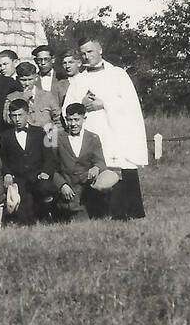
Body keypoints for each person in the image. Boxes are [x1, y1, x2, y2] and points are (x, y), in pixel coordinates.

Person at [60, 39, 147, 219]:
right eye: (83, 53)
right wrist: (80, 104)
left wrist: (104, 104)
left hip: (114, 131)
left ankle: (126, 211)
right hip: (92, 132)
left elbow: (129, 103)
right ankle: (98, 212)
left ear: (100, 50)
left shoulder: (118, 75)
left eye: (90, 52)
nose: (87, 56)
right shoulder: (79, 79)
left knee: (119, 167)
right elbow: (67, 108)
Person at [50, 103, 117, 220]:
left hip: (86, 191)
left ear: (84, 119)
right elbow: (51, 167)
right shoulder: (56, 138)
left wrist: (96, 168)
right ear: (65, 119)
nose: (73, 124)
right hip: (67, 190)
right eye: (70, 120)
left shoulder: (93, 138)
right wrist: (62, 185)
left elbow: (100, 162)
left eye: (77, 120)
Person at [0, 98, 58, 224]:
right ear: (10, 116)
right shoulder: (5, 136)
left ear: (28, 114)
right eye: (14, 116)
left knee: (45, 188)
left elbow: (49, 157)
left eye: (20, 115)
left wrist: (46, 172)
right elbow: (3, 158)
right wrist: (7, 173)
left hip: (37, 177)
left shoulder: (40, 132)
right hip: (19, 179)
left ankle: (48, 213)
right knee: (25, 218)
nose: (17, 119)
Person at [5, 61, 59, 129]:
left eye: (30, 79)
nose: (27, 83)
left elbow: (57, 118)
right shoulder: (11, 98)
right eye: (23, 80)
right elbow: (7, 120)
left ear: (36, 77)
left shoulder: (47, 95)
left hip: (45, 135)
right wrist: (23, 99)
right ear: (17, 79)